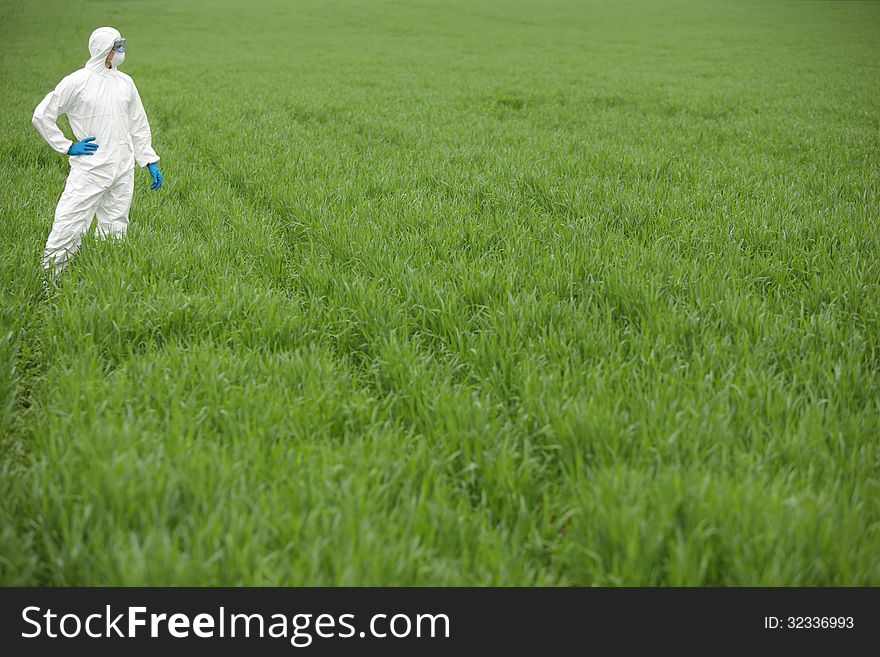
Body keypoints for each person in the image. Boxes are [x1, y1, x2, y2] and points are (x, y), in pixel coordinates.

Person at [32, 26, 163, 275]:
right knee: (69, 223)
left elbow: (138, 123)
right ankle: (50, 281)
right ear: (104, 49)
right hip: (90, 168)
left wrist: (148, 159)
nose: (122, 49)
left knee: (116, 226)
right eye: (118, 45)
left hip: (123, 169)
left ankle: (105, 277)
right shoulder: (78, 82)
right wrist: (68, 146)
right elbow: (42, 115)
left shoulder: (125, 82)